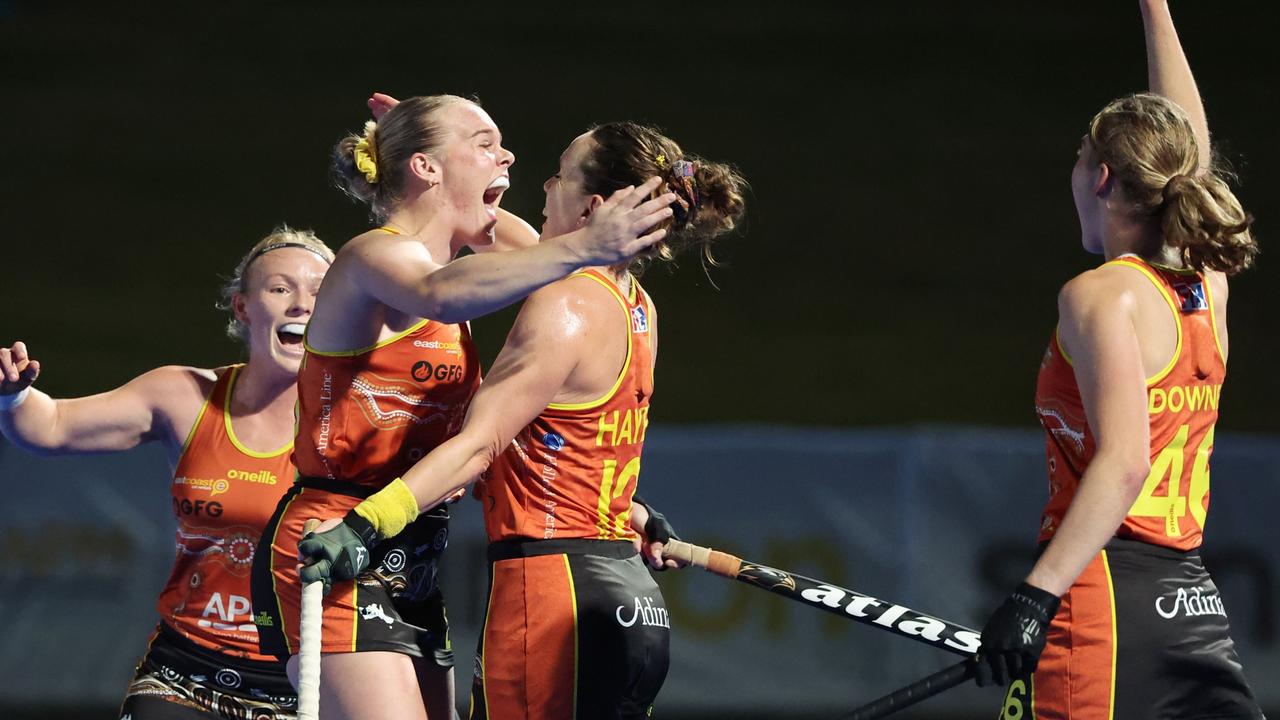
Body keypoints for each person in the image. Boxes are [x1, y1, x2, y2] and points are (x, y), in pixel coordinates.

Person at [296, 120, 745, 719]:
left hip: (553, 594)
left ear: (590, 205)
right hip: (627, 595)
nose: (544, 184)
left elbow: (479, 448)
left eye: (560, 173)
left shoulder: (565, 304)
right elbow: (574, 446)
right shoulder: (638, 306)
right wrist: (419, 150)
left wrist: (365, 525)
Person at [974, 2, 1263, 718]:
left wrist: (1034, 594)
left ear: (1101, 177)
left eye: (1078, 158)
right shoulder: (1203, 286)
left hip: (1101, 602)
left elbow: (1125, 460)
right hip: (1193, 606)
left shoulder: (1102, 295)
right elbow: (1188, 148)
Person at [0, 227, 335, 720]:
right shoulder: (183, 397)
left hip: (309, 680)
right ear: (243, 308)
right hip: (184, 672)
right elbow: (49, 428)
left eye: (319, 292)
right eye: (280, 288)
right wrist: (13, 396)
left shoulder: (365, 414)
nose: (301, 305)